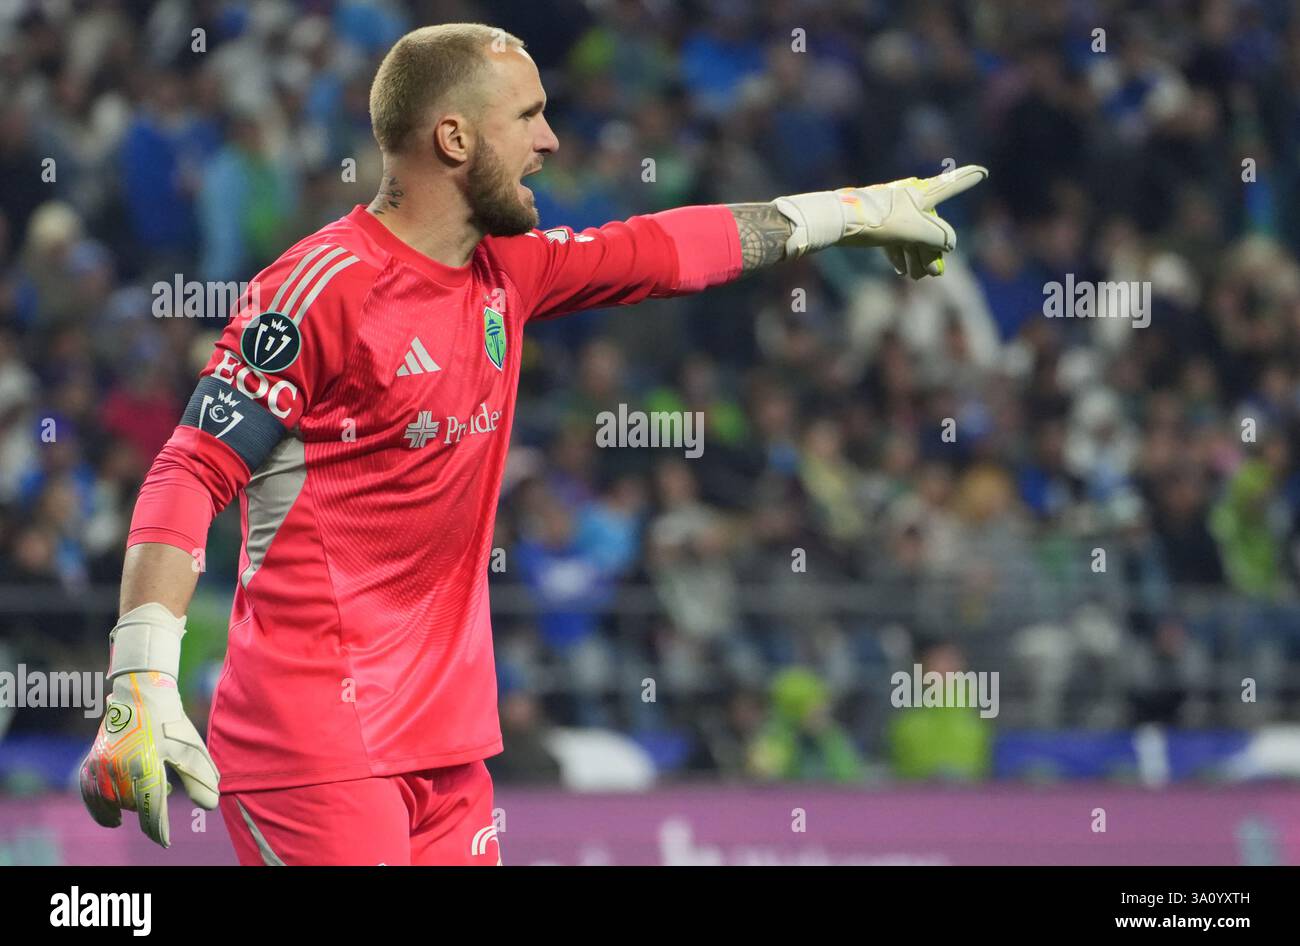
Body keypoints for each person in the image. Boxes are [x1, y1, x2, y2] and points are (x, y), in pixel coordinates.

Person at [78, 22, 987, 865]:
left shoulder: (511, 272)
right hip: (318, 742)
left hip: (449, 746)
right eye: (529, 116)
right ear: (454, 139)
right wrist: (142, 679)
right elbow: (190, 467)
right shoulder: (320, 289)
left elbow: (670, 245)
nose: (551, 140)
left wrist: (858, 211)